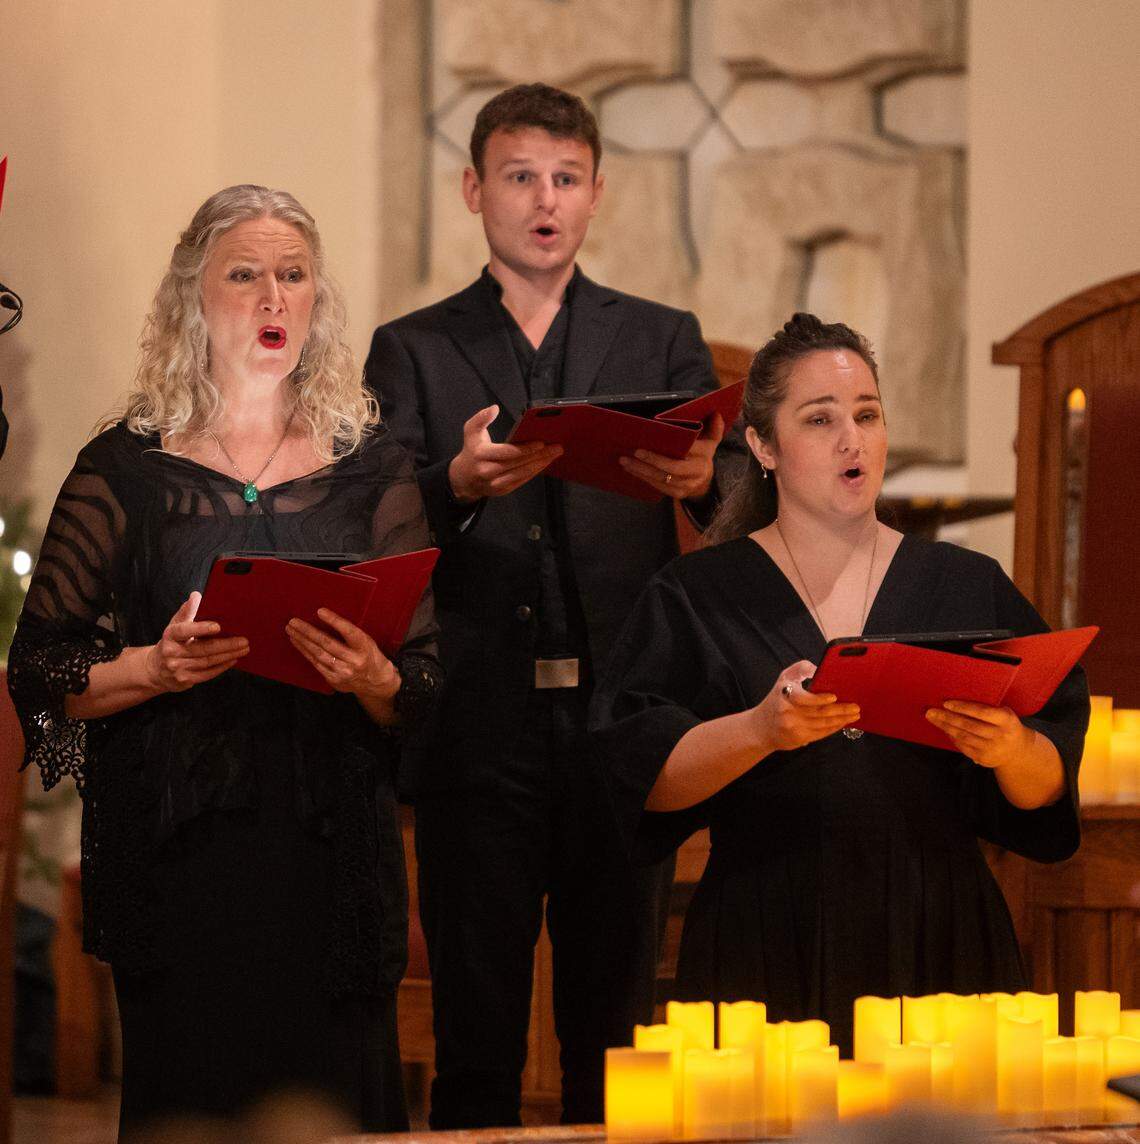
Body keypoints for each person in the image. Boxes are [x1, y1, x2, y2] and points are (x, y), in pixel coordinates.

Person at [7, 185, 441, 1139]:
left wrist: (374, 678)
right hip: (179, 856)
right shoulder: (124, 468)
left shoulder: (374, 470)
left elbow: (427, 682)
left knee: (337, 1105)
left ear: (318, 299)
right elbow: (39, 668)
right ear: (192, 301)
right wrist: (151, 669)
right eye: (245, 275)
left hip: (331, 861)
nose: (273, 297)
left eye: (293, 276)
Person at [364, 83, 736, 1127]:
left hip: (623, 723)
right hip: (476, 722)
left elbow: (741, 497)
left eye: (567, 179)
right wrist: (456, 485)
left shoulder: (662, 337)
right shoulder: (415, 348)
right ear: (475, 190)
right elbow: (371, 518)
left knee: (612, 1038)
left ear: (598, 193)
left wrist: (701, 480)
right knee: (478, 1036)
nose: (546, 199)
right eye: (521, 176)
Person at [589, 312, 1090, 1057]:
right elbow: (640, 781)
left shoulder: (965, 586)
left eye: (867, 415)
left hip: (939, 935)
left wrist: (1010, 747)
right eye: (819, 419)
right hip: (765, 931)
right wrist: (760, 731)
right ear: (762, 445)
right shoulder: (699, 592)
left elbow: (1048, 786)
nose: (851, 439)